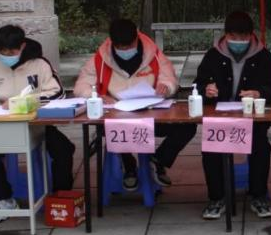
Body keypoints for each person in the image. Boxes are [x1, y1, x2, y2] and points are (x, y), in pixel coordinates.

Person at [0, 24, 75, 221]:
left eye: (12, 52)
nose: (7, 55)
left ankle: (61, 196)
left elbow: (57, 93)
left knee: (64, 149)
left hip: (37, 125)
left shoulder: (39, 64)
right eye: (3, 52)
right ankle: (4, 198)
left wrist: (23, 102)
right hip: (0, 127)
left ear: (22, 46)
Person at [74, 17, 195, 190]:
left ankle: (158, 160)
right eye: (120, 47)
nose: (125, 50)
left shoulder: (153, 54)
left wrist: (166, 87)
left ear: (136, 38)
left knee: (187, 126)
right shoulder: (100, 58)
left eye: (129, 46)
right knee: (112, 129)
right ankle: (129, 166)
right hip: (116, 114)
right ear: (112, 42)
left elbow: (169, 78)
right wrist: (95, 96)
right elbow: (81, 86)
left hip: (151, 114)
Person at [193, 11, 271, 220]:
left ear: (251, 35)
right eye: (233, 36)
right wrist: (206, 90)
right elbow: (197, 85)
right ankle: (217, 198)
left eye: (243, 37)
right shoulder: (213, 55)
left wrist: (259, 93)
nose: (238, 41)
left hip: (252, 117)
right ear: (226, 35)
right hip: (220, 117)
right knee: (211, 147)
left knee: (260, 146)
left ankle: (258, 195)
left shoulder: (263, 56)